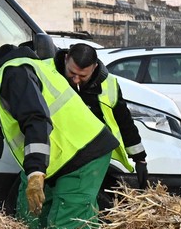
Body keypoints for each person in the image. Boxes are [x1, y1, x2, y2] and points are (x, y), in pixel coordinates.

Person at [0, 34, 117, 229]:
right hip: (58, 156)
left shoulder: (14, 74)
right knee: (28, 221)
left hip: (82, 154)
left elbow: (36, 120)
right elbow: (18, 111)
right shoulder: (12, 68)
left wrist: (36, 173)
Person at [62, 42, 148, 196]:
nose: (75, 80)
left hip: (89, 156)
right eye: (71, 73)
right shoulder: (50, 74)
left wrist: (139, 158)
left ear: (94, 67)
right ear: (66, 58)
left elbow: (124, 121)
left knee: (79, 202)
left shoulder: (109, 85)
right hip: (55, 153)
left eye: (82, 76)